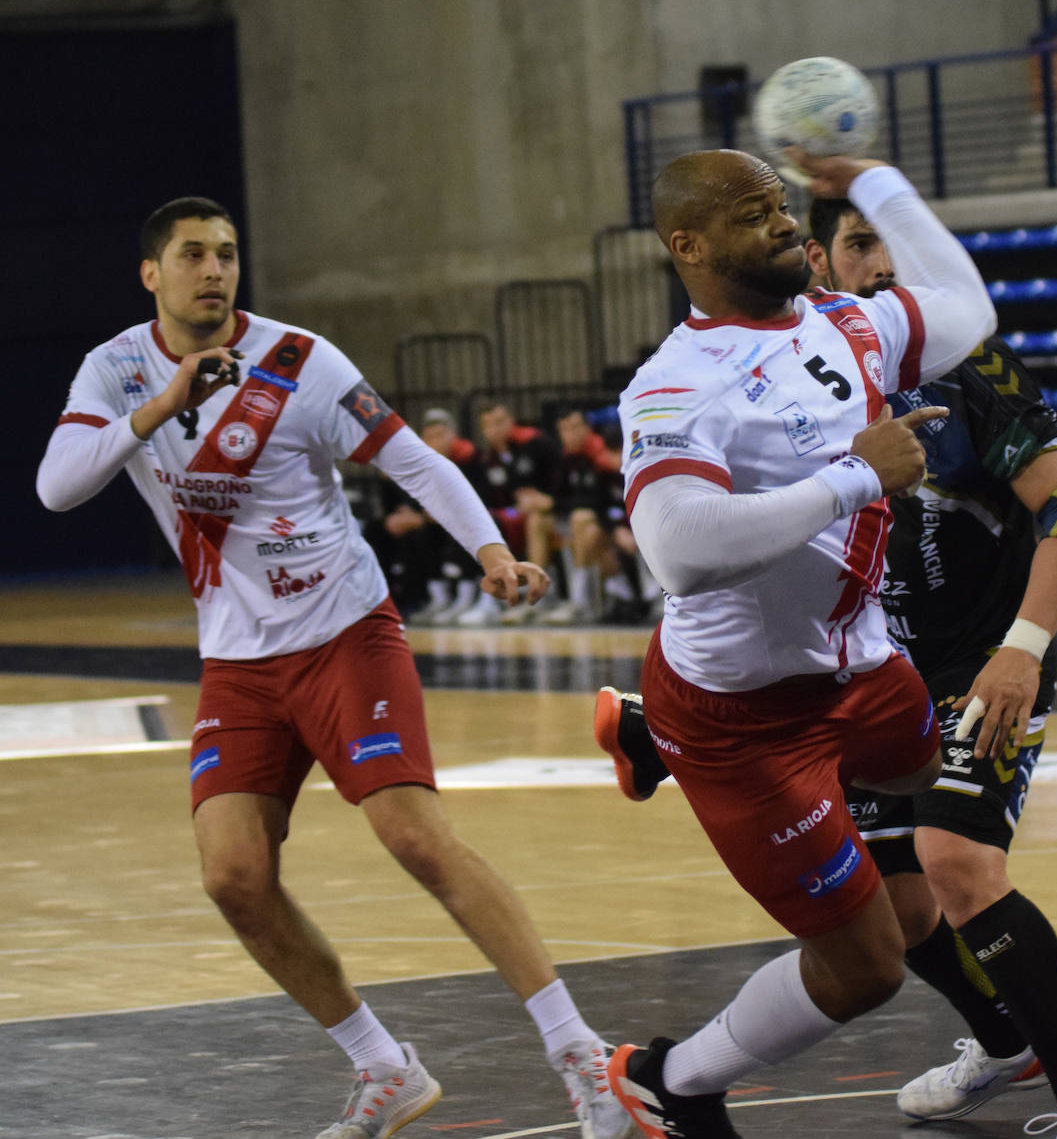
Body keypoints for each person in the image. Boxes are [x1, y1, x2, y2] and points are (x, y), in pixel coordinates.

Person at [35, 197, 633, 1139]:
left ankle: (586, 1060)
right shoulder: (113, 370)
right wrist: (168, 402)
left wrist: (489, 551)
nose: (215, 270)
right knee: (234, 875)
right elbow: (57, 486)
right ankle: (382, 1066)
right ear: (151, 273)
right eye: (192, 255)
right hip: (237, 662)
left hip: (345, 632)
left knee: (416, 838)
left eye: (227, 254)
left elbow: (414, 462)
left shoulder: (301, 362)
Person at [597, 195, 1057, 1139]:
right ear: (821, 258)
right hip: (863, 669)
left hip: (984, 655)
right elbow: (702, 549)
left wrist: (1023, 648)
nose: (885, 260)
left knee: (956, 858)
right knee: (894, 908)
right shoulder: (753, 369)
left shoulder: (965, 369)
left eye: (893, 241)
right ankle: (998, 1039)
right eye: (859, 242)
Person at [368, 406, 487, 624]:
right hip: (431, 522)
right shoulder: (419, 463)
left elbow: (476, 502)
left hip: (466, 522)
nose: (435, 441)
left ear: (453, 435)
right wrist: (409, 515)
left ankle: (466, 599)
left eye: (440, 435)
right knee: (381, 530)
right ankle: (399, 598)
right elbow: (416, 503)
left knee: (449, 531)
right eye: (430, 436)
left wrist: (425, 516)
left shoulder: (469, 458)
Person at [523, 408, 635, 625]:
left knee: (582, 522)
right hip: (589, 522)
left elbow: (598, 501)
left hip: (611, 521)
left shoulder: (602, 455)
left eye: (575, 427)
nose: (570, 434)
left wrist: (553, 503)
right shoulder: (567, 457)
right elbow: (561, 496)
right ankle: (539, 596)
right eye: (564, 430)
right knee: (538, 519)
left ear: (587, 428)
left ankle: (581, 600)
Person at [455, 401, 562, 625]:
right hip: (510, 517)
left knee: (533, 521)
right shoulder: (485, 459)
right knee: (477, 524)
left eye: (500, 422)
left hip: (551, 514)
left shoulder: (537, 445)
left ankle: (535, 597)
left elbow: (561, 485)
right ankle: (483, 598)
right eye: (489, 425)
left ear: (511, 422)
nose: (495, 429)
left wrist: (547, 500)